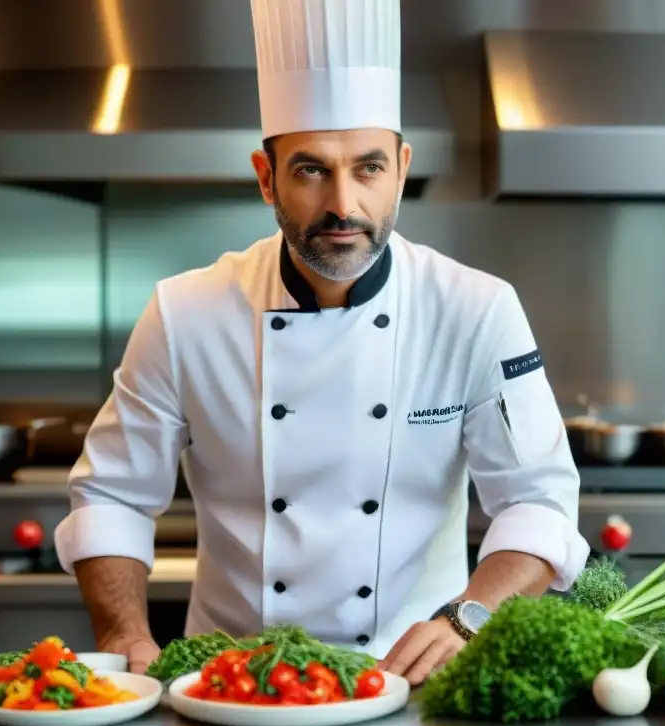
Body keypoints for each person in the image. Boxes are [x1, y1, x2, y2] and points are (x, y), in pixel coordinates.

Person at [53, 0, 589, 685]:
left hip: (409, 683)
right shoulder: (184, 313)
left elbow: (538, 502)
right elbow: (112, 497)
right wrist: (124, 635)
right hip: (230, 686)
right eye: (311, 170)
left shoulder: (476, 310)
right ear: (265, 175)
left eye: (368, 167)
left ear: (401, 166)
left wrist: (468, 618)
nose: (343, 204)